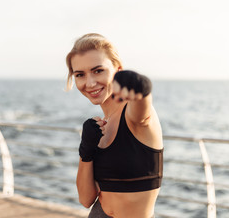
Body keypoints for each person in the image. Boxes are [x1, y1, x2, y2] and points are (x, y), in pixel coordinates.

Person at [66, 33, 163, 218]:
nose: (90, 82)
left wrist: (138, 86)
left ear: (118, 71)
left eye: (98, 70)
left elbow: (142, 104)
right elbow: (86, 199)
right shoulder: (101, 125)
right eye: (80, 75)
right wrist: (86, 150)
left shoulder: (134, 115)